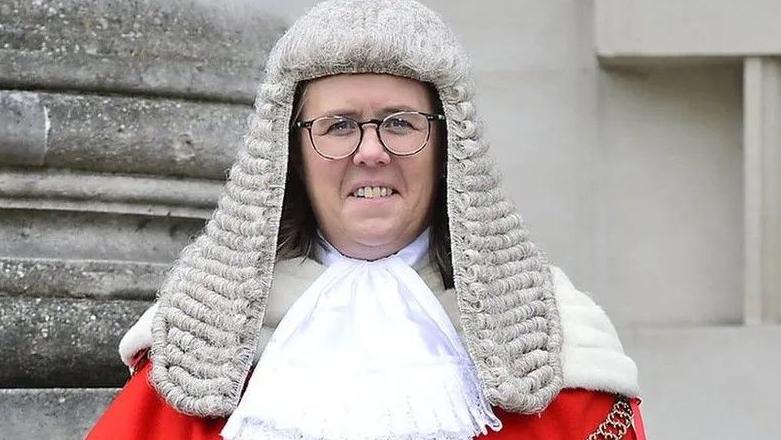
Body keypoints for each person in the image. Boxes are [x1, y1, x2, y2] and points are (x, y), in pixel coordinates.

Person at [87, 0, 646, 439]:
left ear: (447, 146)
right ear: (292, 157)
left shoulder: (556, 342)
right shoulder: (203, 340)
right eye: (338, 126)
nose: (371, 151)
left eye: (400, 123)